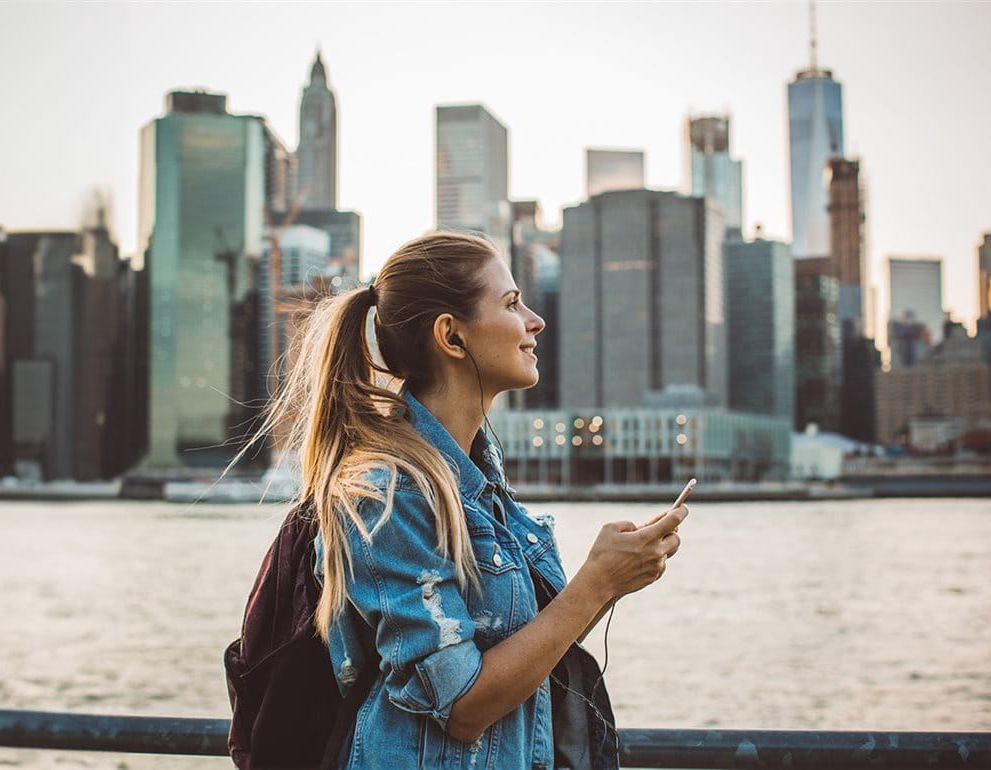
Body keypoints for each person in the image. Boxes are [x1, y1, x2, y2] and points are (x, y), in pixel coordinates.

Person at [247, 232, 687, 769]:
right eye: (510, 303)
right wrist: (595, 583)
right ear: (451, 337)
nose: (534, 321)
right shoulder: (388, 493)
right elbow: (461, 706)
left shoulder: (478, 482)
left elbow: (517, 652)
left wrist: (610, 584)